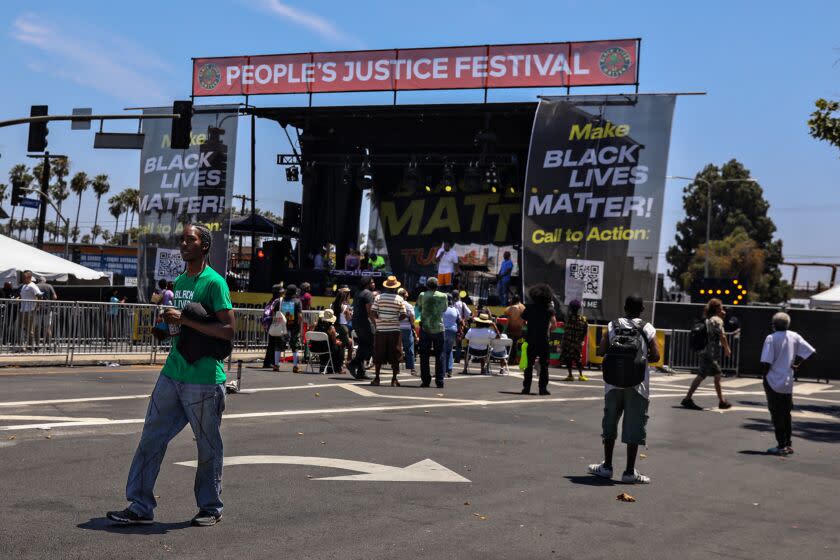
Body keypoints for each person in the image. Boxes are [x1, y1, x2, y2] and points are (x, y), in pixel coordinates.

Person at [107, 223, 234, 527]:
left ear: (204, 246)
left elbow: (228, 330)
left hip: (203, 378)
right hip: (173, 371)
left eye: (190, 239)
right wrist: (168, 328)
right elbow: (184, 327)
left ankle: (211, 507)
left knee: (207, 446)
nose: (183, 243)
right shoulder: (179, 281)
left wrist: (186, 319)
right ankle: (140, 505)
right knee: (151, 437)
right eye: (182, 239)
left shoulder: (214, 283)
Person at [588, 294, 660, 485]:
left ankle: (607, 467)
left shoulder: (613, 325)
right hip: (638, 386)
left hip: (612, 384)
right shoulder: (647, 327)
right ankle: (629, 472)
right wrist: (640, 359)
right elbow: (656, 356)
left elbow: (601, 351)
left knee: (610, 424)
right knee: (634, 427)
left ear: (625, 307)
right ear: (642, 309)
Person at [759, 312, 815, 456]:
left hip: (773, 381)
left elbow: (766, 361)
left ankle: (781, 446)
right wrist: (797, 364)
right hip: (787, 382)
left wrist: (764, 377)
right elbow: (810, 351)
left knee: (776, 414)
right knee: (786, 413)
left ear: (774, 325)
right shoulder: (795, 336)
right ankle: (788, 444)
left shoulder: (771, 338)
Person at [681, 298, 733, 410]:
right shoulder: (717, 320)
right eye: (721, 307)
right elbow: (722, 336)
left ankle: (721, 401)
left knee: (715, 375)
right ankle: (687, 399)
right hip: (709, 353)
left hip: (706, 351)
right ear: (717, 308)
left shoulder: (709, 318)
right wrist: (727, 348)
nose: (723, 309)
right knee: (703, 375)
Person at [520, 284, 557, 395]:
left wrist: (531, 326)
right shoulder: (549, 309)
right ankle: (542, 388)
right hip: (543, 340)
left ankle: (526, 388)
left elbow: (523, 323)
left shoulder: (529, 308)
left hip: (531, 338)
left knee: (529, 364)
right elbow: (554, 324)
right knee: (544, 365)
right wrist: (548, 330)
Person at [370, 276, 406, 386]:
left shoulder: (378, 298)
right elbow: (403, 315)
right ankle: (394, 379)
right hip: (394, 330)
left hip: (381, 330)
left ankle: (376, 378)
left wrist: (380, 319)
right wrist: (394, 319)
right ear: (395, 287)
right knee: (395, 354)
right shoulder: (400, 299)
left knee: (379, 354)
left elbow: (373, 312)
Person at [415, 276, 448, 388]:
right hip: (439, 328)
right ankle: (440, 381)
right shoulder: (443, 296)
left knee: (424, 355)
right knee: (440, 355)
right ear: (437, 286)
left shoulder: (422, 295)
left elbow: (418, 309)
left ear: (427, 286)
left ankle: (425, 381)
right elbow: (444, 309)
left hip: (425, 328)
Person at [347, 277, 375, 380]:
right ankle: (353, 363)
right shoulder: (368, 294)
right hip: (364, 323)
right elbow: (370, 312)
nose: (374, 284)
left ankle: (361, 371)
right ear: (367, 284)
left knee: (363, 345)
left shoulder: (358, 292)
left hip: (356, 322)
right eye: (372, 282)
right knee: (369, 345)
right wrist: (375, 323)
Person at [309, 309, 345, 374]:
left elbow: (309, 331)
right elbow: (334, 342)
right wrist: (337, 342)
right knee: (340, 346)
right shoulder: (331, 328)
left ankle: (326, 367)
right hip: (326, 349)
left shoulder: (315, 325)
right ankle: (338, 368)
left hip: (314, 348)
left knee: (325, 345)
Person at [561, 299, 589, 382]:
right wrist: (581, 339)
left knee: (568, 358)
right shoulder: (583, 319)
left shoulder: (567, 318)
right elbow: (585, 330)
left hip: (567, 342)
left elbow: (565, 326)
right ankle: (581, 375)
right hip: (577, 342)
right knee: (577, 359)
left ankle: (570, 375)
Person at [278, 285, 303, 373]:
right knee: (295, 346)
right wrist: (300, 325)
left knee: (280, 345)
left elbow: (275, 312)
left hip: (283, 326)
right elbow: (300, 316)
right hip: (294, 327)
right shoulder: (297, 301)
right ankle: (295, 367)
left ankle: (276, 365)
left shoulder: (281, 300)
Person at [331, 286, 353, 367]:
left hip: (334, 327)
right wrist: (350, 314)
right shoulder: (345, 306)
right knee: (348, 344)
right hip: (343, 327)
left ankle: (339, 364)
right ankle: (348, 362)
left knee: (340, 345)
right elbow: (348, 319)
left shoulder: (332, 305)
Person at [19, 270, 42, 348]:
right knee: (25, 328)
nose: (23, 278)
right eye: (23, 277)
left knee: (30, 329)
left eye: (24, 277)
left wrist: (37, 306)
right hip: (23, 309)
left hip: (30, 310)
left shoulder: (33, 285)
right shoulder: (24, 286)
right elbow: (22, 296)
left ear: (29, 277)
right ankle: (29, 345)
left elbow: (39, 295)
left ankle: (32, 346)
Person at [262, 285, 283, 371]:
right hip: (274, 323)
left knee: (271, 344)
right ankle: (271, 362)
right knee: (275, 344)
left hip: (270, 324)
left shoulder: (272, 300)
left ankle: (267, 362)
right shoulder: (277, 301)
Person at [397, 288, 417, 376]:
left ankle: (396, 368)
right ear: (405, 295)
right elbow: (412, 318)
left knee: (397, 348)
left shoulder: (396, 303)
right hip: (406, 329)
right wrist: (412, 325)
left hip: (397, 329)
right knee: (409, 348)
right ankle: (412, 369)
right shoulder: (409, 305)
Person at [442, 295, 462, 378]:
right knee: (449, 350)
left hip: (443, 330)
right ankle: (449, 370)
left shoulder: (442, 309)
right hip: (453, 330)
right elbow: (459, 321)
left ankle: (442, 370)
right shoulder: (456, 309)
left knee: (442, 351)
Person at [503, 294, 526, 364]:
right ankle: (514, 359)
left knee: (511, 344)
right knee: (515, 344)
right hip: (519, 329)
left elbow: (507, 317)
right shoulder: (523, 307)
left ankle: (511, 359)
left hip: (511, 328)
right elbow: (525, 320)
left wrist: (505, 329)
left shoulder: (509, 308)